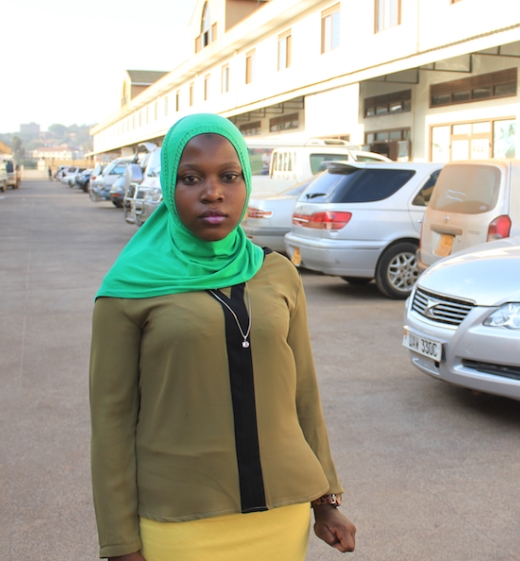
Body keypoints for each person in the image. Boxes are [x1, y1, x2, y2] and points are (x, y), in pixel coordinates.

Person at [89, 113, 356, 561]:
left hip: (281, 512)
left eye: (229, 176)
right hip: (179, 522)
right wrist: (119, 542)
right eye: (191, 178)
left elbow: (304, 393)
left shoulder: (277, 273)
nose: (212, 192)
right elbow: (111, 424)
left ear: (246, 182)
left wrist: (325, 500)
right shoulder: (128, 288)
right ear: (170, 189)